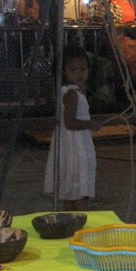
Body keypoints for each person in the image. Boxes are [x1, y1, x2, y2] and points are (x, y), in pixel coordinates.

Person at [44, 45, 101, 212]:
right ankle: (80, 220)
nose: (79, 73)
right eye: (73, 69)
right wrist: (91, 123)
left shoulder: (71, 92)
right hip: (76, 146)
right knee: (80, 186)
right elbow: (70, 122)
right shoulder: (72, 95)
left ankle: (70, 220)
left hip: (71, 144)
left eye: (83, 68)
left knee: (70, 188)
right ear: (63, 72)